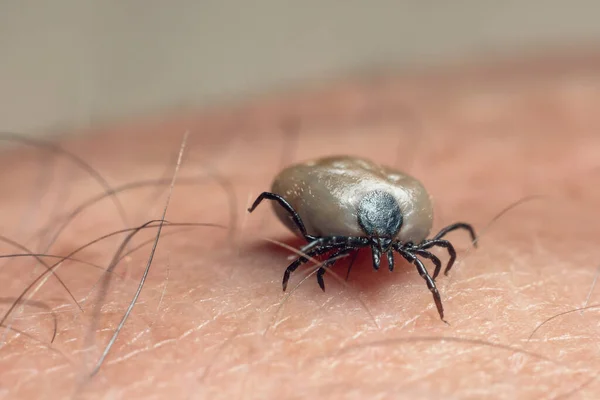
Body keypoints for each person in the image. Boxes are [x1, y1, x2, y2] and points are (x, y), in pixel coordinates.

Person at [1, 53, 599, 399]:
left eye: (404, 252)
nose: (391, 260)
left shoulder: (395, 230)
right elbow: (323, 244)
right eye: (382, 249)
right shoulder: (348, 233)